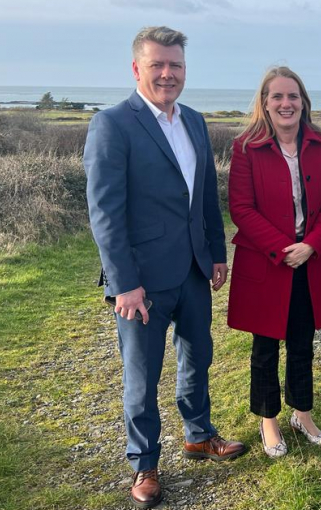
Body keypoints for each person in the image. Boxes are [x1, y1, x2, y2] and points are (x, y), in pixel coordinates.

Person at [84, 26, 245, 509]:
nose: (168, 73)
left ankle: (199, 435)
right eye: (158, 65)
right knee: (142, 375)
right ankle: (145, 463)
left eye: (175, 65)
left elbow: (204, 200)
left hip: (194, 270)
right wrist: (124, 284)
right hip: (142, 281)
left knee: (198, 358)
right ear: (138, 68)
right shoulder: (112, 124)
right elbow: (105, 213)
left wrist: (217, 252)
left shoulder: (194, 121)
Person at [227, 67, 321, 458]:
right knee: (265, 347)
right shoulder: (246, 147)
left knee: (303, 343)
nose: (286, 103)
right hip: (268, 263)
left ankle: (303, 413)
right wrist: (284, 249)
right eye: (277, 96)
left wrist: (312, 245)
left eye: (293, 96)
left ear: (304, 102)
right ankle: (268, 420)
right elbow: (241, 208)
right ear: (264, 102)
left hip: (310, 261)